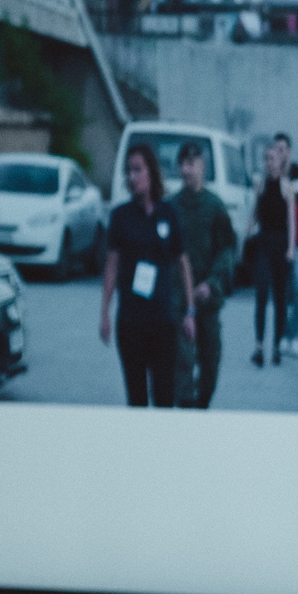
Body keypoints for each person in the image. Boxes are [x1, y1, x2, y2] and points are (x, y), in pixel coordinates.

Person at [99, 142, 195, 408]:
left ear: (151, 172)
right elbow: (111, 267)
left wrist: (190, 311)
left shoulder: (169, 213)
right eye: (129, 171)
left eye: (138, 170)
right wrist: (104, 312)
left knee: (164, 397)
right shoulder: (120, 216)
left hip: (163, 321)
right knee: (137, 399)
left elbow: (183, 263)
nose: (132, 177)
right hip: (131, 322)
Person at [168, 138, 238, 408]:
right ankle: (186, 414)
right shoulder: (171, 206)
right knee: (182, 363)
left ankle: (201, 404)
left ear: (202, 166)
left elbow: (226, 250)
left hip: (207, 299)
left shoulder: (215, 207)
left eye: (192, 164)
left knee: (210, 366)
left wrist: (212, 283)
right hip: (178, 299)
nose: (186, 170)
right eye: (183, 164)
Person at [248, 132, 298, 364]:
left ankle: (277, 346)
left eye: (273, 158)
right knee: (261, 296)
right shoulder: (260, 185)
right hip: (264, 243)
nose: (269, 162)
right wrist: (247, 233)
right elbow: (255, 213)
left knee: (280, 298)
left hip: (281, 246)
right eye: (266, 158)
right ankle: (259, 346)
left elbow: (291, 220)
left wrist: (291, 248)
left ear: (280, 160)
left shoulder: (287, 186)